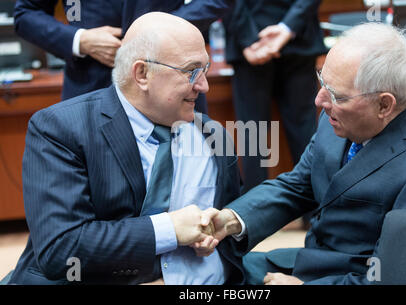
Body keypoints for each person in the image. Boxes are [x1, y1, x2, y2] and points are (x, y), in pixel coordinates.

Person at [199, 22, 406, 285]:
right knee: (201, 269)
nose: (320, 101)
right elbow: (298, 186)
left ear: (384, 104)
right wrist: (232, 219)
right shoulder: (337, 117)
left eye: (336, 95)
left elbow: (396, 277)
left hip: (348, 278)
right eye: (321, 81)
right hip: (307, 262)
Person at [5, 12, 244, 285]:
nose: (204, 85)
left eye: (205, 68)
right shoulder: (61, 129)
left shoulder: (213, 137)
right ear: (142, 74)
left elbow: (228, 241)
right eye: (191, 71)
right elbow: (62, 249)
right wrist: (169, 229)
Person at [13, 0, 234, 112]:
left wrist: (160, 30)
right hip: (92, 83)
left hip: (171, 80)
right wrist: (81, 40)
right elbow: (27, 14)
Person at [223, 0, 327, 193]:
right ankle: (315, 216)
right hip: (297, 37)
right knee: (294, 130)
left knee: (254, 133)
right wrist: (289, 26)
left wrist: (248, 38)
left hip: (257, 41)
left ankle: (254, 214)